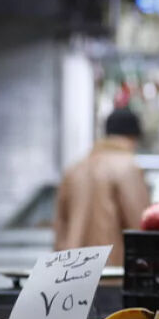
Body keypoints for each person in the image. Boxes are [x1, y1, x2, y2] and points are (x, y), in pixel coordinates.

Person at [54, 109, 151, 266]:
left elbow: (60, 230)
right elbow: (140, 226)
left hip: (71, 276)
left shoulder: (75, 169)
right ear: (134, 136)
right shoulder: (128, 167)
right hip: (112, 274)